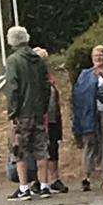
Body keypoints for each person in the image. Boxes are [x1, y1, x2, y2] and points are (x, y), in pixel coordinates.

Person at [3, 24, 50, 199]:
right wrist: (43, 108)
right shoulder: (38, 60)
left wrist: (12, 113)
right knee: (41, 149)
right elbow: (46, 86)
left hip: (22, 112)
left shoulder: (13, 60)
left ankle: (24, 188)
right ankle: (44, 185)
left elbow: (13, 88)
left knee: (19, 150)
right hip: (37, 111)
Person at [73, 46, 103, 189]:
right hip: (89, 112)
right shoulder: (85, 74)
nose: (98, 58)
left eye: (101, 55)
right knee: (89, 143)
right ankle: (86, 176)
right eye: (95, 55)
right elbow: (79, 94)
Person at [37, 47, 64, 194]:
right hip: (41, 119)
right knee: (41, 149)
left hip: (53, 118)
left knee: (53, 148)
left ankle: (54, 179)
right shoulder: (34, 79)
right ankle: (39, 180)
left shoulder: (49, 78)